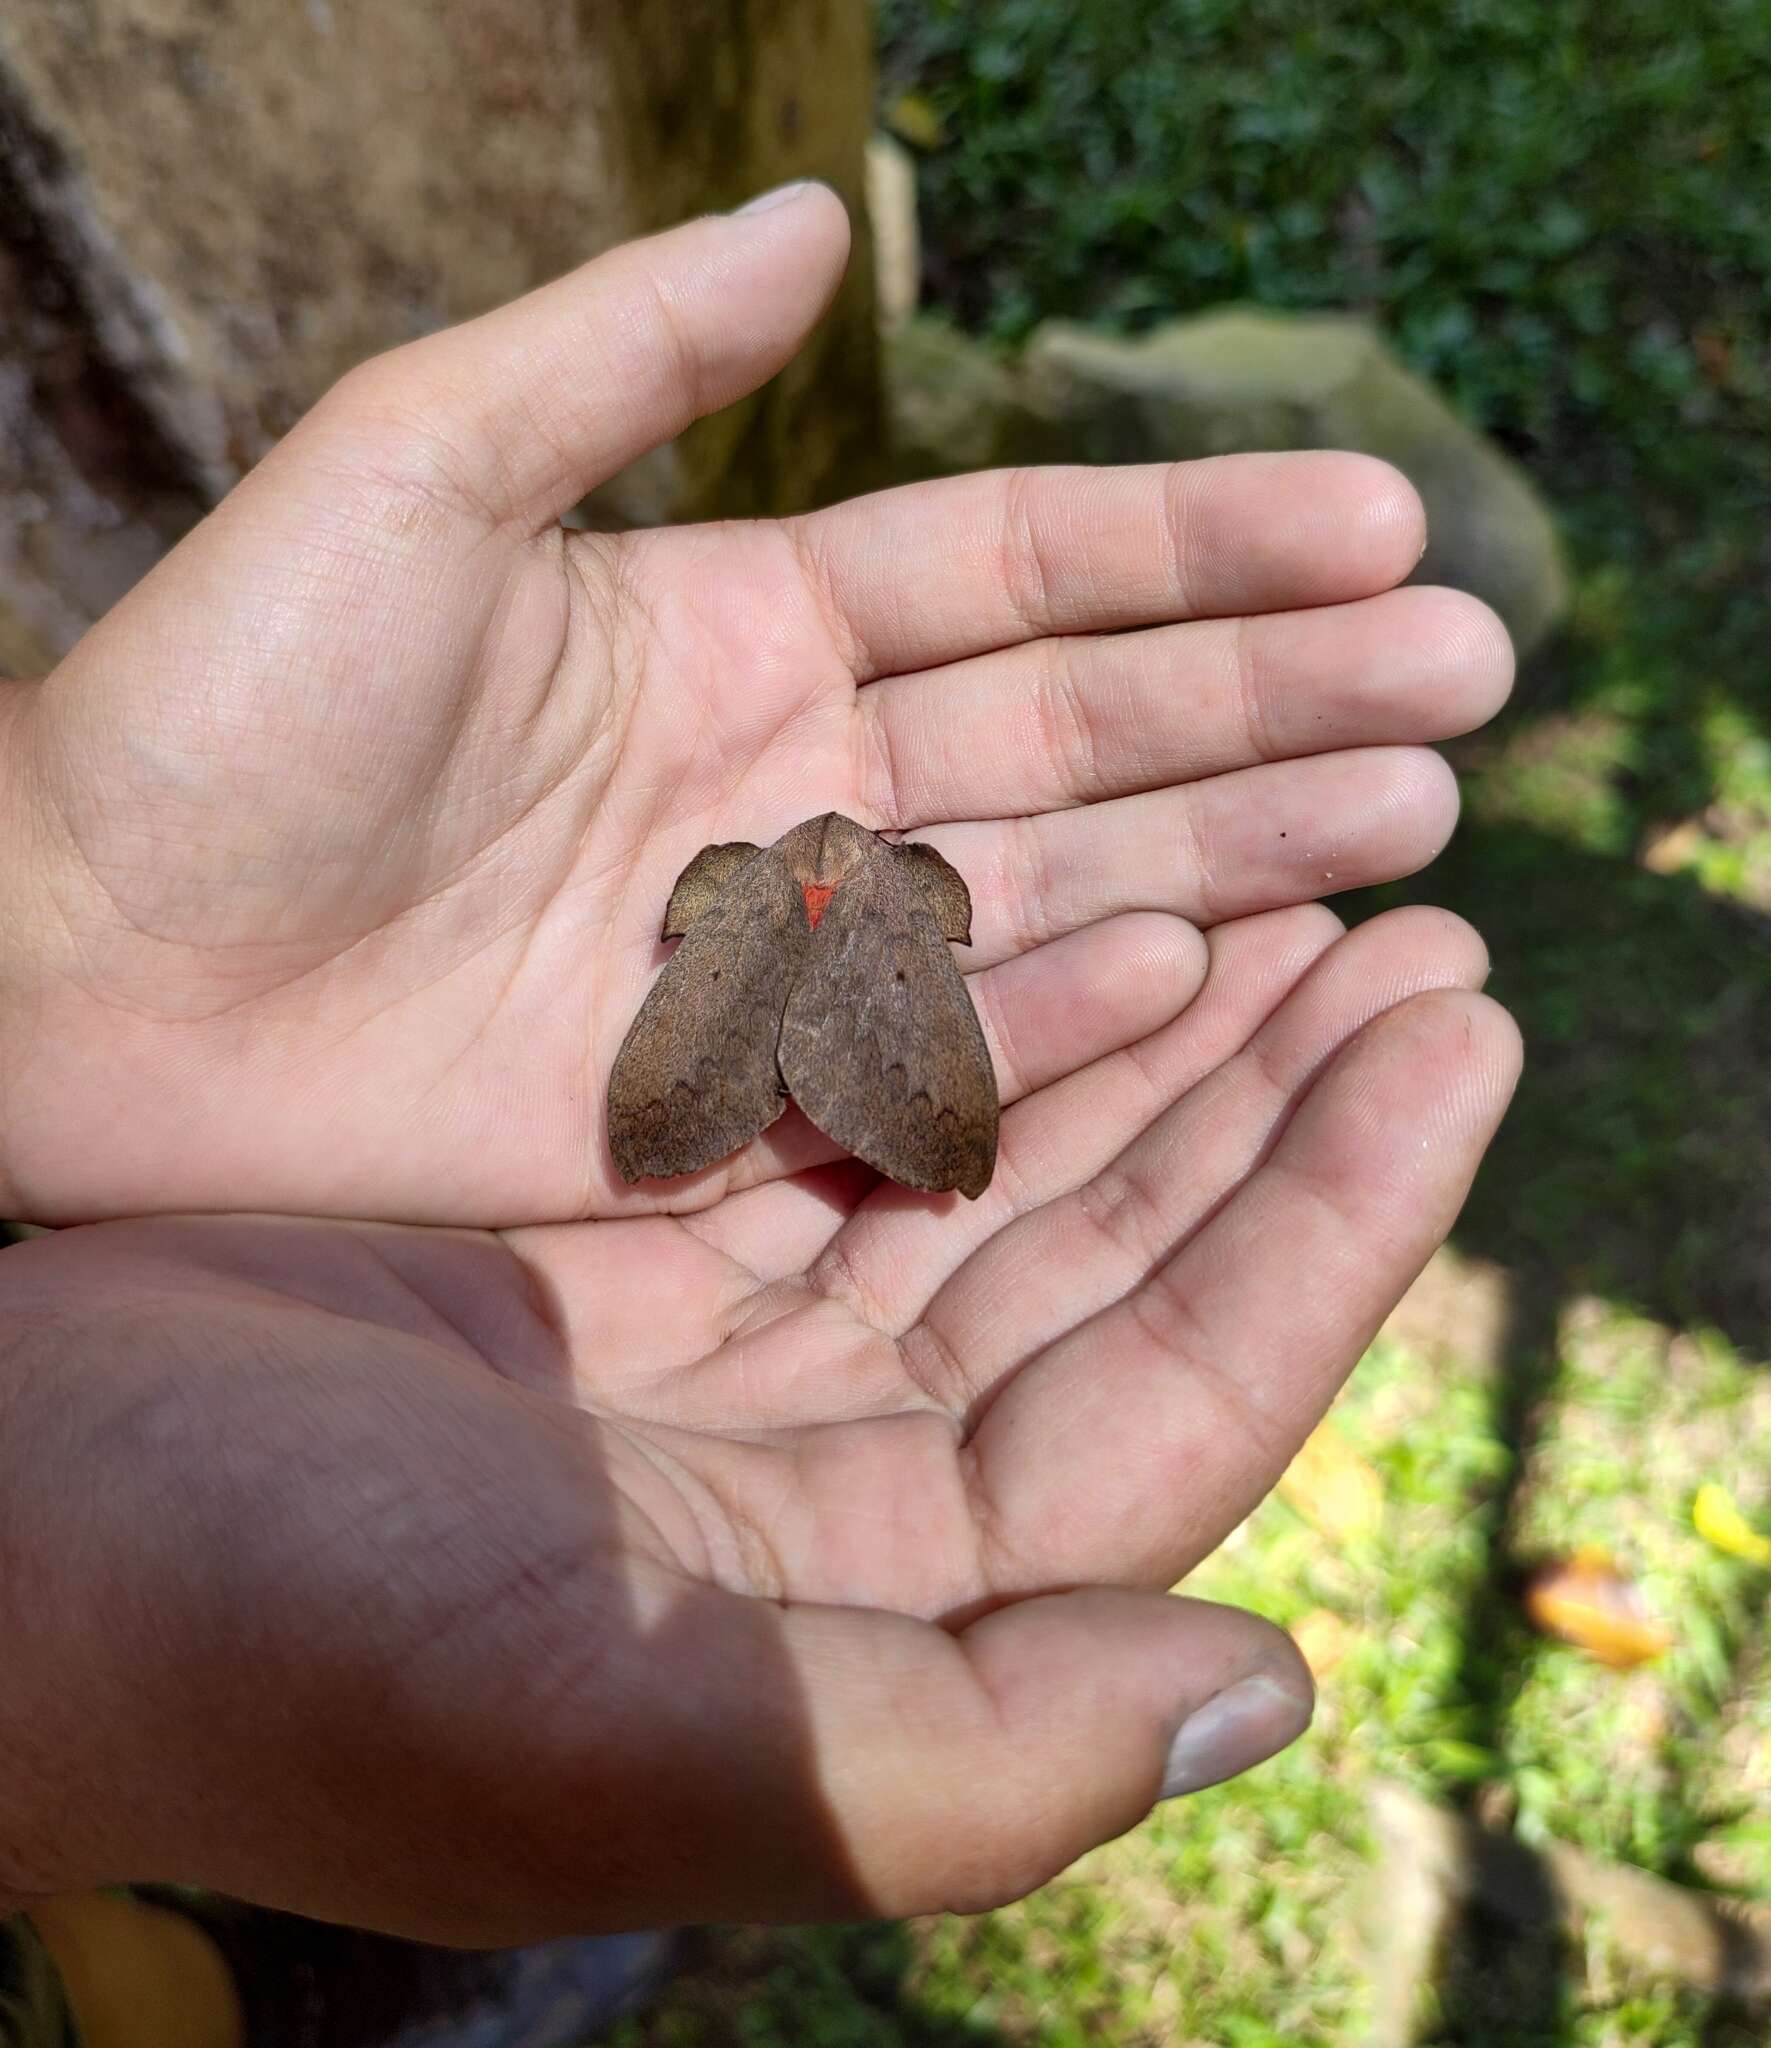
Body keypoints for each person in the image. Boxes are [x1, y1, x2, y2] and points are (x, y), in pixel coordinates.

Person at [0, 183, 1520, 2038]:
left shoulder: (788, 894)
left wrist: (69, 930)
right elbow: (879, 923)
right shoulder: (873, 894)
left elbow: (772, 920)